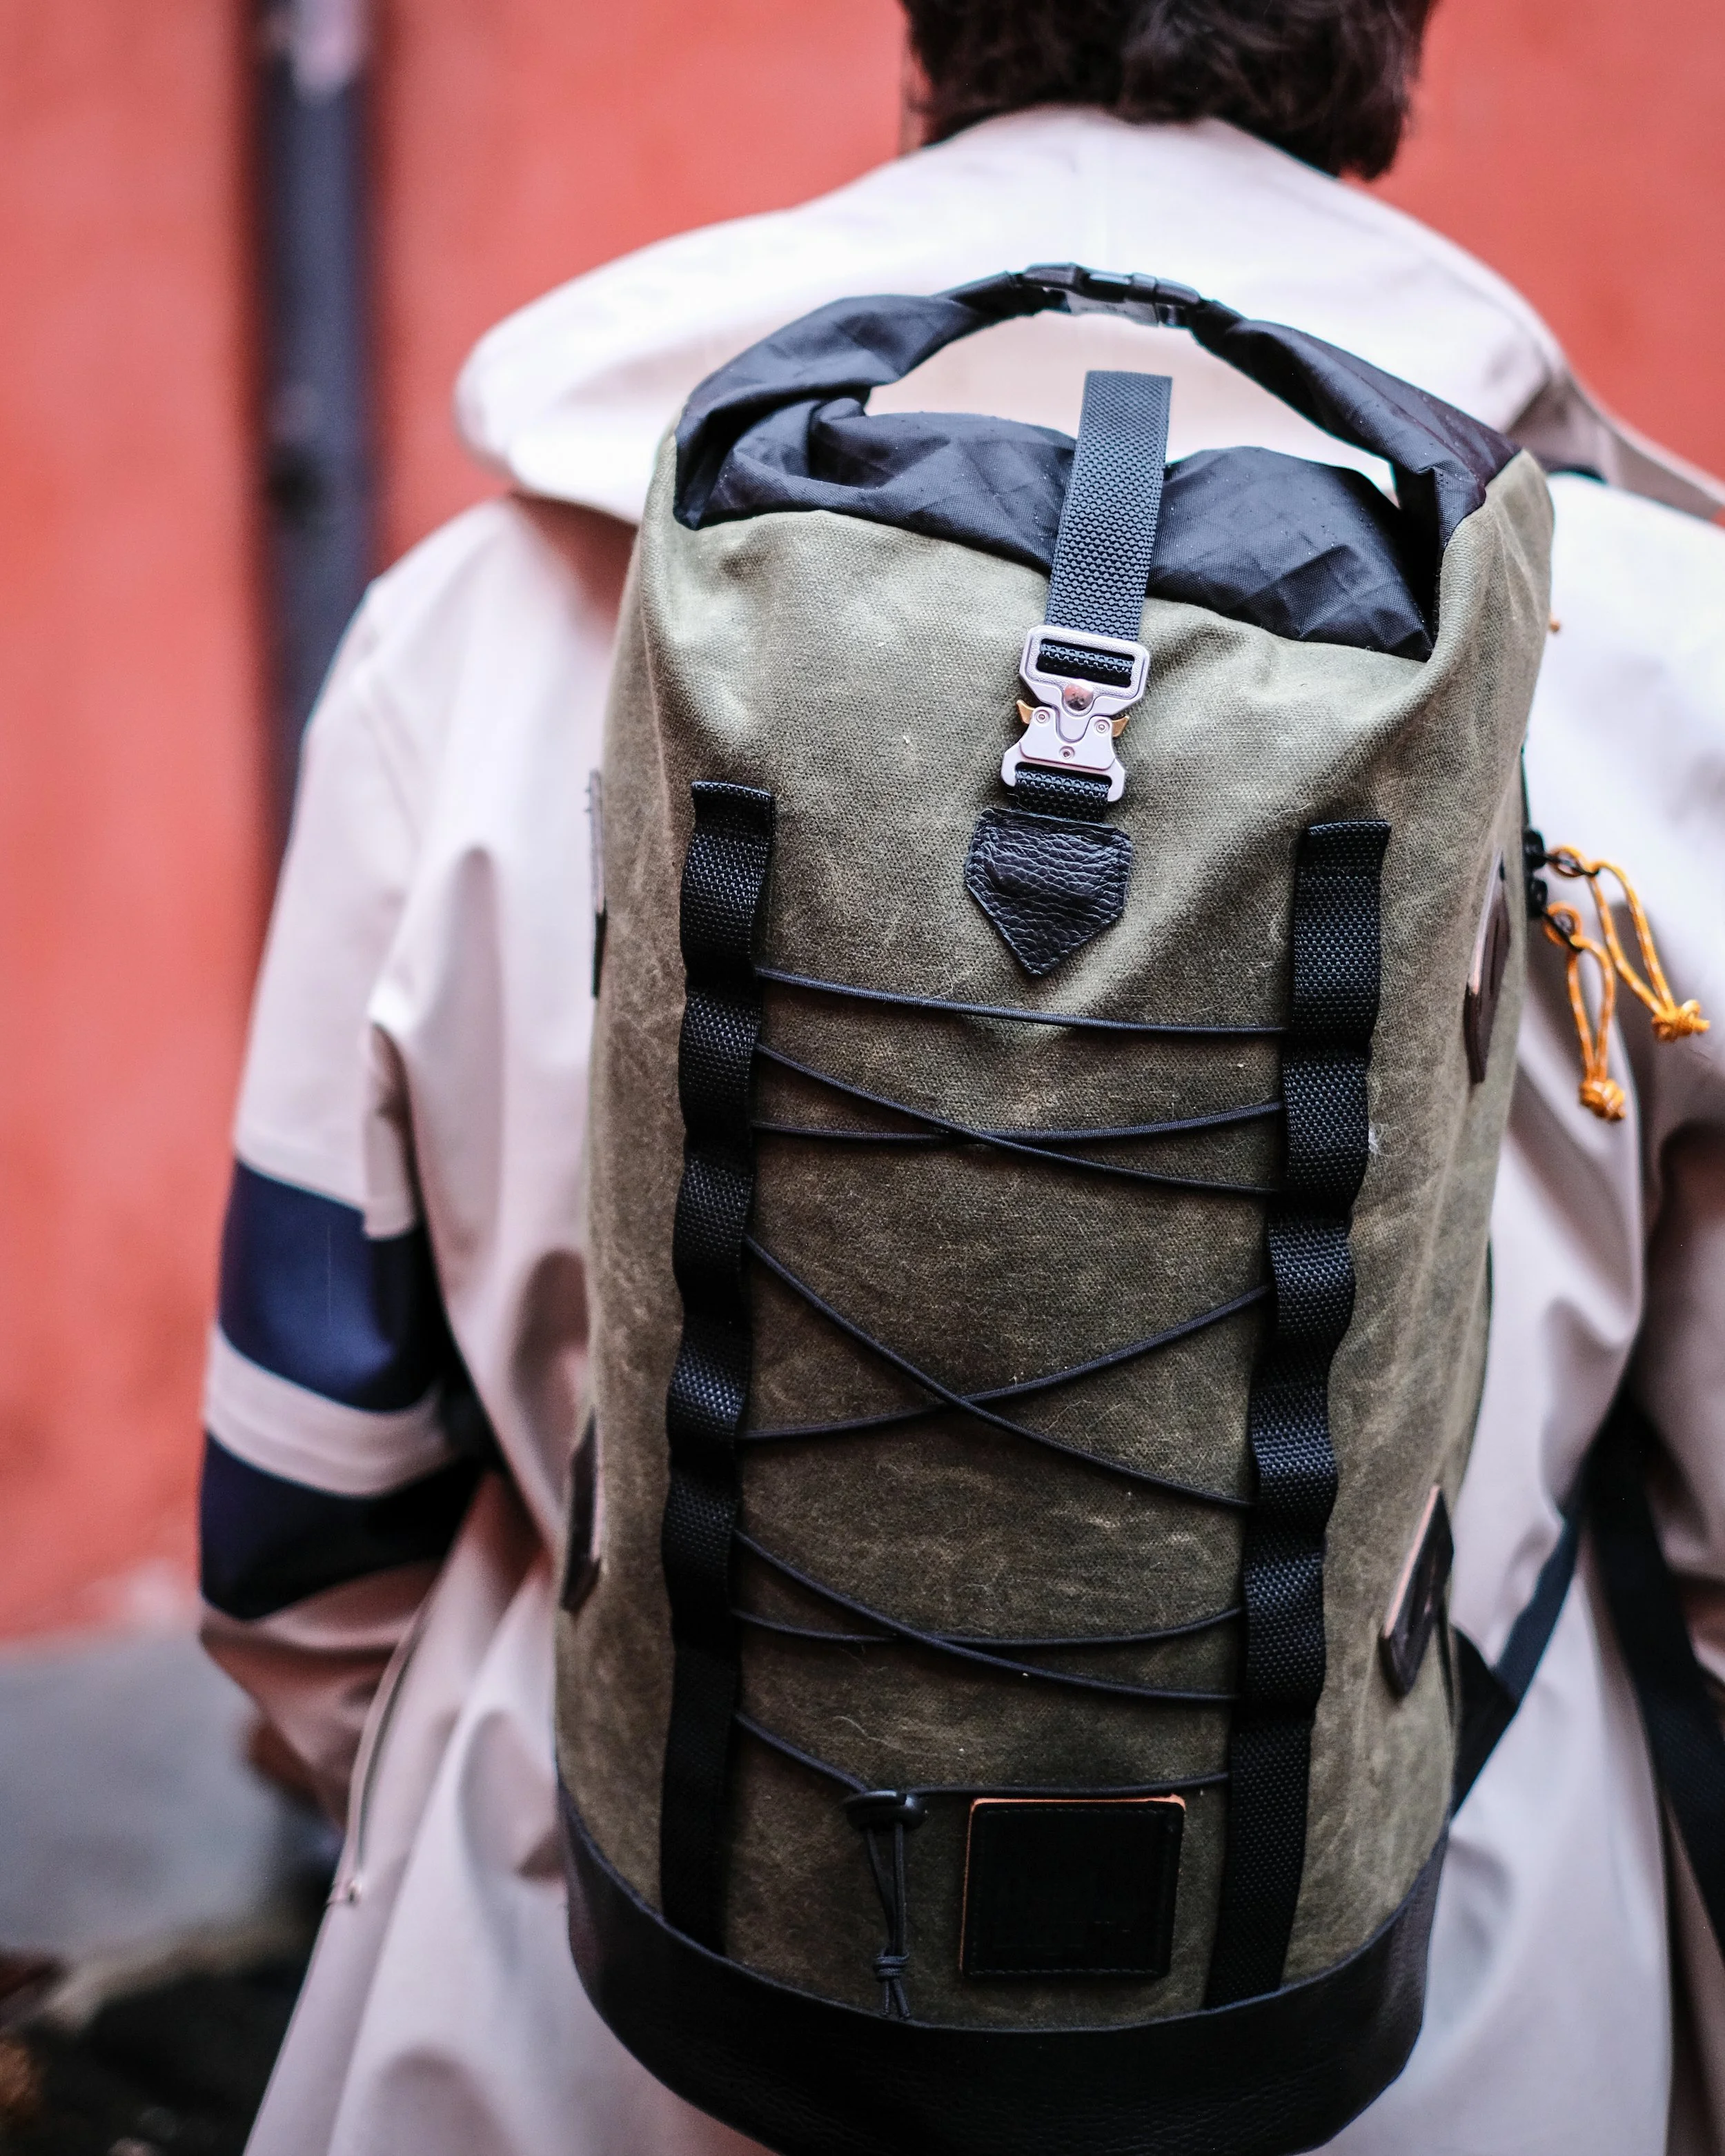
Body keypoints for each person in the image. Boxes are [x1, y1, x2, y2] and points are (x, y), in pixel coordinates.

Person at [199, 4, 1725, 2150]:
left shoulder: (481, 610)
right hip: (1424, 2050)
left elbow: (305, 1536)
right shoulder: (1660, 643)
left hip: (594, 2028)